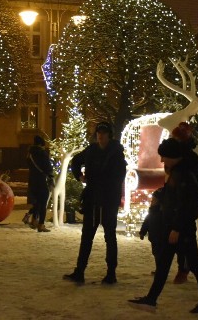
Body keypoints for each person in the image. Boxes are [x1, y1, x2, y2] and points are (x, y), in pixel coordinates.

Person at [128, 138, 198, 314]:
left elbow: (185, 204)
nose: (162, 161)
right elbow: (173, 196)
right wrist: (161, 195)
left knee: (194, 263)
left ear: (173, 156)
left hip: (180, 229)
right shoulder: (178, 172)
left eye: (164, 157)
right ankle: (151, 300)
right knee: (165, 264)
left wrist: (177, 228)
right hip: (174, 226)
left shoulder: (183, 175)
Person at [63, 121, 127, 285]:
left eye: (104, 133)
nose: (100, 135)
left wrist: (107, 188)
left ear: (109, 135)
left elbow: (119, 176)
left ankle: (111, 273)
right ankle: (80, 271)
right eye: (99, 132)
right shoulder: (92, 150)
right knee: (87, 237)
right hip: (93, 198)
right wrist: (80, 176)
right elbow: (75, 161)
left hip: (107, 200)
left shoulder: (116, 153)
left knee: (110, 237)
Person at [169, 121, 198, 283]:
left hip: (186, 206)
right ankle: (179, 266)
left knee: (186, 241)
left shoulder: (189, 159)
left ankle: (186, 268)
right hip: (177, 204)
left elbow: (191, 188)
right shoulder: (177, 157)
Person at [27, 135, 54, 232]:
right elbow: (47, 167)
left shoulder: (30, 154)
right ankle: (41, 224)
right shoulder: (42, 153)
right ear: (40, 144)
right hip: (41, 180)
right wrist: (51, 176)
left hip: (32, 180)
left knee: (37, 201)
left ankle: (34, 220)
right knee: (43, 202)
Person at [139, 186, 165, 272]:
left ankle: (160, 270)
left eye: (154, 200)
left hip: (160, 237)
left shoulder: (162, 213)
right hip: (153, 237)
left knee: (160, 254)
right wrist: (142, 232)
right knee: (155, 253)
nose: (152, 202)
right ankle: (159, 269)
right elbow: (146, 222)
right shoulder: (151, 211)